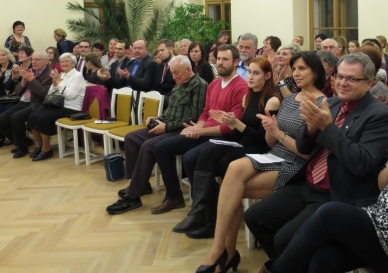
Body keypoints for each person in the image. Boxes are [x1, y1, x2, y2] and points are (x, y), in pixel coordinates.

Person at [245, 53, 388, 260]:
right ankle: (289, 263)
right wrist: (310, 129)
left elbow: (361, 163)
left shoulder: (379, 115)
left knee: (284, 239)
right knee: (255, 217)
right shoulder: (331, 104)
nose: (343, 83)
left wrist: (327, 127)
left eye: (352, 79)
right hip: (307, 183)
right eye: (340, 76)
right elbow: (303, 146)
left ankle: (288, 263)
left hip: (335, 191)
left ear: (369, 83)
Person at [260, 119, 388, 273]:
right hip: (381, 216)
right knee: (322, 259)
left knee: (329, 213)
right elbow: (382, 185)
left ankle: (276, 270)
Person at [196, 51, 327, 273]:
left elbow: (308, 154)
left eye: (302, 69)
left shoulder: (322, 103)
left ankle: (226, 253)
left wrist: (277, 133)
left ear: (315, 72)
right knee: (233, 169)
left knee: (231, 191)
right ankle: (221, 249)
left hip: (296, 164)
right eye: (294, 69)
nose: (296, 73)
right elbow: (269, 141)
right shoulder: (290, 99)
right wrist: (270, 128)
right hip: (274, 153)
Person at [172, 57, 282, 238]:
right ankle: (202, 214)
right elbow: (240, 133)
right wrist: (229, 123)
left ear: (267, 76)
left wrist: (236, 123)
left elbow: (264, 141)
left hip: (259, 151)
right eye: (249, 72)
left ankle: (204, 216)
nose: (250, 77)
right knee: (206, 152)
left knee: (207, 157)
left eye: (256, 73)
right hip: (242, 145)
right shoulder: (247, 96)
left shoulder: (272, 101)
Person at [151, 45, 248, 215]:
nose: (220, 63)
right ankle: (175, 196)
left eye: (225, 59)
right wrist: (197, 127)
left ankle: (204, 208)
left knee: (190, 158)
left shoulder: (241, 87)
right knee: (160, 148)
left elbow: (231, 127)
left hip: (223, 137)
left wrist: (200, 131)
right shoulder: (214, 84)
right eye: (219, 59)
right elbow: (205, 112)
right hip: (205, 132)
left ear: (236, 62)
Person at [105, 55, 208, 215]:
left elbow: (194, 117)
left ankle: (133, 195)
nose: (173, 77)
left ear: (188, 70)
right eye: (172, 73)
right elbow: (171, 111)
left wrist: (166, 127)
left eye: (176, 73)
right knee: (131, 138)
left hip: (183, 130)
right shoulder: (179, 85)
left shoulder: (199, 85)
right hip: (168, 126)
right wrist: (157, 119)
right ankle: (140, 184)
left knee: (149, 146)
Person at [26, 53, 86, 162]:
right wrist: (54, 84)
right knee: (33, 116)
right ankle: (39, 146)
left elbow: (70, 95)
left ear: (73, 64)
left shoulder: (77, 75)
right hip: (58, 105)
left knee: (43, 118)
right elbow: (50, 94)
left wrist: (58, 81)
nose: (64, 63)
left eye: (67, 61)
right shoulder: (62, 75)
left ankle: (46, 149)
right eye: (62, 61)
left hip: (72, 107)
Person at [0, 52, 53, 158]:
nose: (34, 62)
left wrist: (32, 80)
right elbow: (17, 92)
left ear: (46, 61)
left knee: (16, 117)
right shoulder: (33, 71)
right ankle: (24, 141)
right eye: (33, 59)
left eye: (37, 60)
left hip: (38, 104)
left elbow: (43, 94)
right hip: (25, 101)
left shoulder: (50, 74)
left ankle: (22, 147)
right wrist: (23, 82)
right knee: (0, 120)